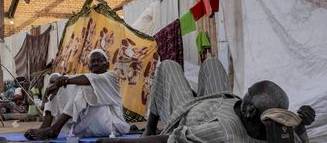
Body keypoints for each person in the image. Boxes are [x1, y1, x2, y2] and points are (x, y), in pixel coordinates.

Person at [98, 59, 316, 143]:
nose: (245, 93)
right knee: (211, 63)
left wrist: (119, 142)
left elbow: (171, 140)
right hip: (220, 100)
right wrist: (301, 125)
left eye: (248, 93)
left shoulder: (223, 132)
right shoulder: (271, 126)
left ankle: (150, 127)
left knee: (168, 66)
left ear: (250, 111)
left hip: (188, 111)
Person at [24, 48, 130, 140]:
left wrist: (61, 82)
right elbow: (65, 78)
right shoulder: (86, 77)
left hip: (111, 125)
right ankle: (45, 126)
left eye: (99, 61)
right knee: (56, 80)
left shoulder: (111, 76)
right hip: (89, 127)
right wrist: (55, 81)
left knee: (84, 87)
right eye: (93, 61)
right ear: (88, 66)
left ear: (107, 65)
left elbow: (86, 79)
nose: (96, 63)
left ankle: (55, 129)